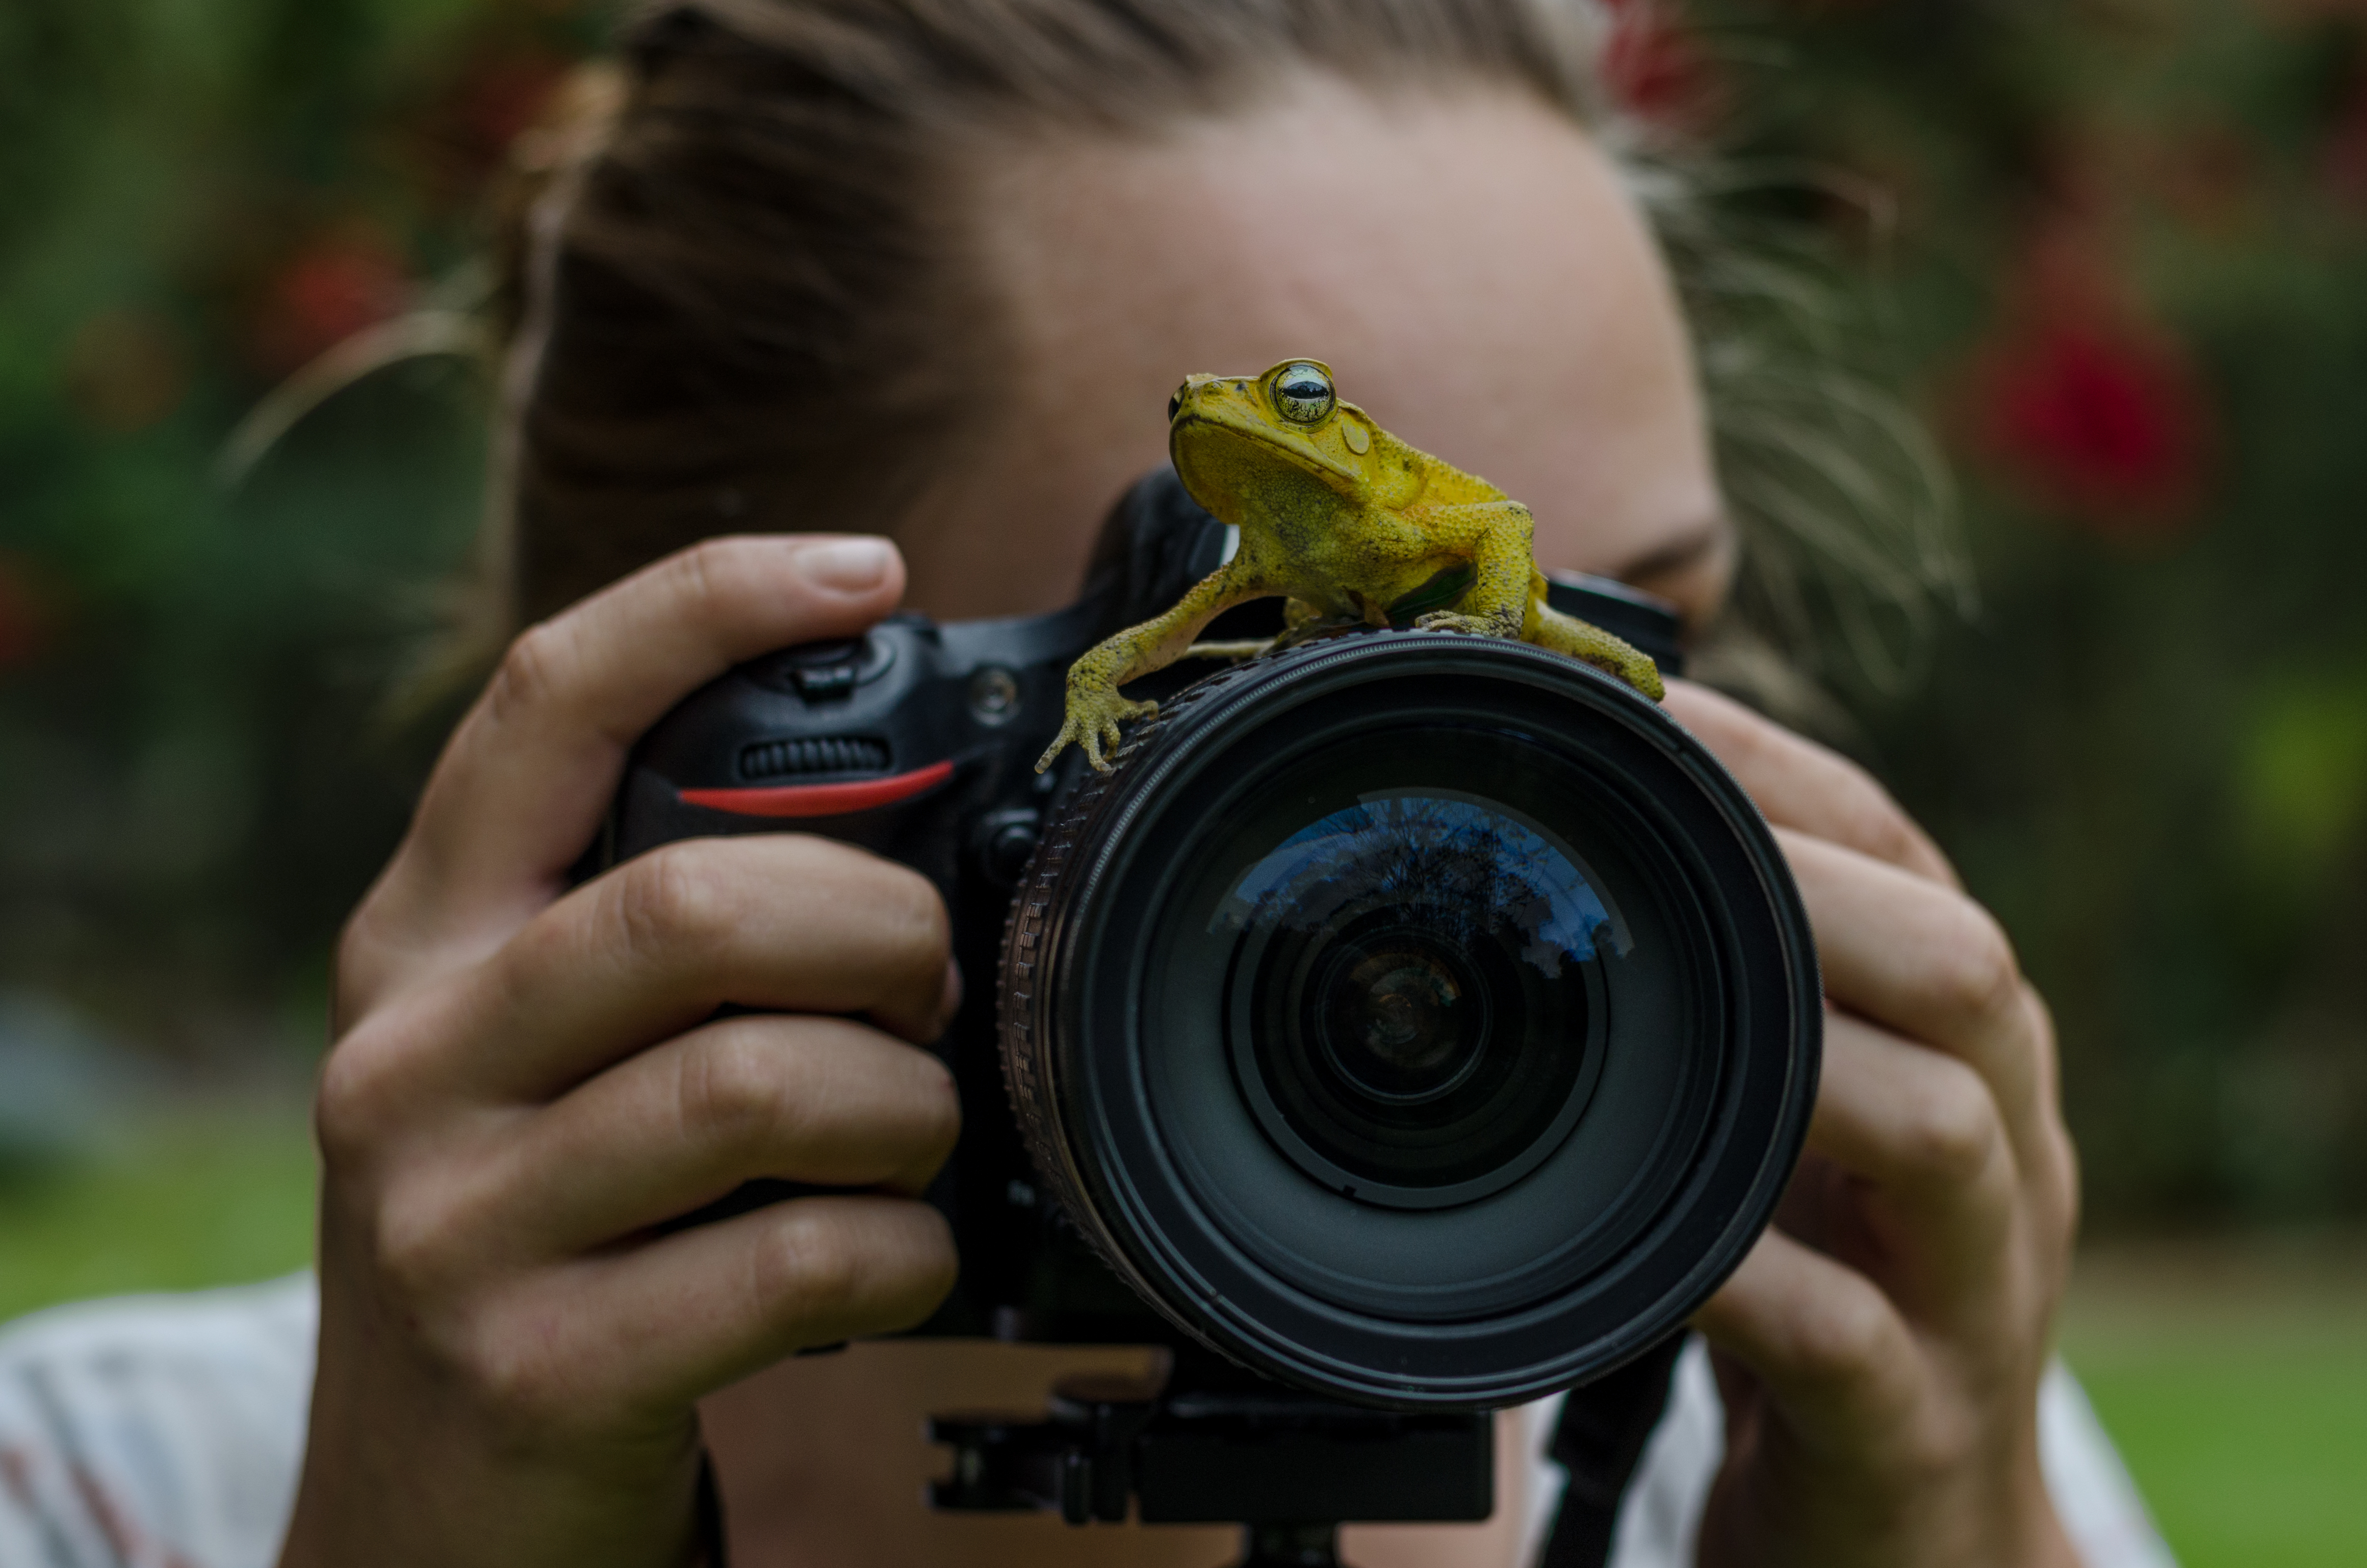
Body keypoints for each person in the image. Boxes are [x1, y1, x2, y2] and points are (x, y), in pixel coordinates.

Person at [0, 3, 2179, 1565]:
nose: (1488, 874)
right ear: (653, 785)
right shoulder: (101, 1496)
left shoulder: (1812, 1439)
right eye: (1270, 730)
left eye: (1611, 684)